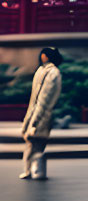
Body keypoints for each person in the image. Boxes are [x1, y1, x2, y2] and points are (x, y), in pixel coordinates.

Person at [20, 46, 63, 181]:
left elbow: (45, 98)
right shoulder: (42, 70)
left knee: (36, 142)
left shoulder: (52, 72)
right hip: (35, 112)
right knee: (33, 142)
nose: (41, 56)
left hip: (41, 113)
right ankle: (31, 169)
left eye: (43, 54)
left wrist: (36, 118)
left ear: (48, 56)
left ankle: (35, 170)